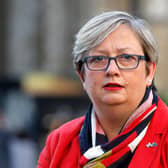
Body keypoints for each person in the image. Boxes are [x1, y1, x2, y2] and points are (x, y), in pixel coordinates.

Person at [37, 11, 168, 168]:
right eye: (98, 59)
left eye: (126, 58)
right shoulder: (59, 142)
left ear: (150, 71)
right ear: (82, 75)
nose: (112, 70)